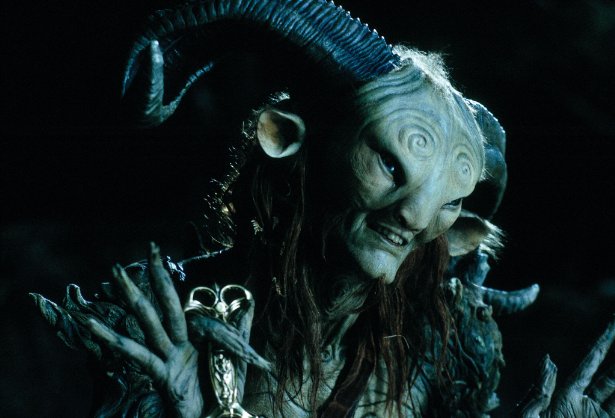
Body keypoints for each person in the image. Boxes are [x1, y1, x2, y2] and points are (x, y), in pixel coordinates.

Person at [32, 1, 614, 417]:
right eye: (391, 168)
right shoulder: (165, 322)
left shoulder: (441, 345)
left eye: (447, 203)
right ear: (285, 138)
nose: (415, 218)